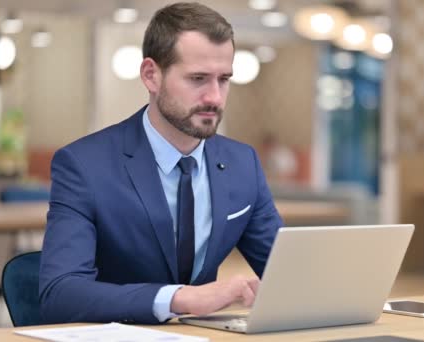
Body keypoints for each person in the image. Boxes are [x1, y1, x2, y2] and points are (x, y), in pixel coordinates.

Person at [39, 2, 283, 324]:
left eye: (223, 79)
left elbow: (290, 275)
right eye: (198, 79)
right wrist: (180, 299)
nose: (214, 97)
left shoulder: (243, 163)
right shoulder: (84, 165)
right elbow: (60, 293)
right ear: (151, 75)